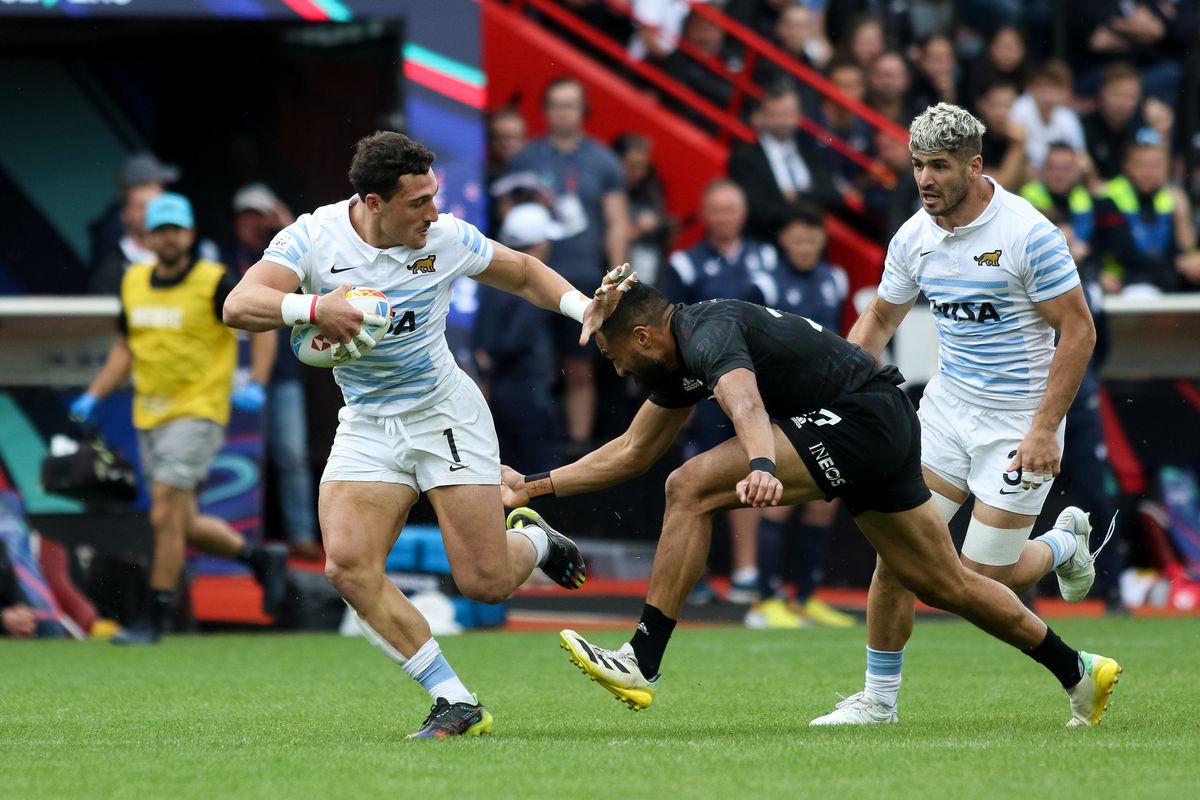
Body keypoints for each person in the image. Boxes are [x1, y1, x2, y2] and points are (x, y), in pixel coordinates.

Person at [499, 281, 1120, 728]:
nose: (615, 369)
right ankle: (1079, 672)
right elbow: (633, 452)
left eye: (614, 356)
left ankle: (642, 657)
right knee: (945, 582)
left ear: (641, 334)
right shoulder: (671, 359)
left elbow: (743, 401)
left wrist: (764, 465)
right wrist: (531, 487)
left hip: (861, 421)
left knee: (687, 487)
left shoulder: (706, 331)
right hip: (882, 421)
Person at [222, 131, 633, 739]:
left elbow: (521, 272)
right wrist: (313, 309)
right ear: (372, 202)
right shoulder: (312, 236)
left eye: (434, 196)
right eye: (418, 202)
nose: (433, 212)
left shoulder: (443, 238)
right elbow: (239, 305)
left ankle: (537, 544)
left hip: (443, 413)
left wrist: (580, 308)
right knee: (348, 567)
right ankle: (454, 700)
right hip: (367, 421)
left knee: (485, 583)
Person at [809, 102, 1107, 725]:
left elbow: (1078, 332)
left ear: (974, 166)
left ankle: (1062, 544)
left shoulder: (1027, 234)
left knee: (980, 579)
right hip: (944, 414)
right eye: (917, 165)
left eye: (938, 166)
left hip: (1017, 423)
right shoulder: (914, 235)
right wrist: (829, 389)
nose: (924, 179)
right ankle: (878, 701)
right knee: (900, 555)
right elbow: (881, 319)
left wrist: (1045, 428)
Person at [70, 193, 287, 646]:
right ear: (147, 236)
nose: (168, 238)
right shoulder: (133, 282)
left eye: (177, 229)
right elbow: (126, 347)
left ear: (190, 234)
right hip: (148, 415)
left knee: (165, 509)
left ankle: (156, 615)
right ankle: (259, 559)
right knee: (177, 522)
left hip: (198, 411)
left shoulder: (214, 282)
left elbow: (261, 319)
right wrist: (95, 393)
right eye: (160, 230)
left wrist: (258, 382)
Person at [664, 178, 779, 603]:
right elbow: (669, 330)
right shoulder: (685, 263)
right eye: (717, 209)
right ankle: (694, 575)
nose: (725, 217)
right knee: (696, 480)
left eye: (732, 208)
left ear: (742, 214)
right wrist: (683, 395)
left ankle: (746, 571)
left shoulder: (765, 258)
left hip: (753, 386)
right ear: (706, 214)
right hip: (704, 388)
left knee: (756, 466)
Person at [506, 77, 629, 456]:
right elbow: (507, 214)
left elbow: (617, 221)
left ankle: (578, 449)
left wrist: (618, 279)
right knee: (531, 364)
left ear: (583, 110)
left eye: (571, 104)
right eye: (556, 105)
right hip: (532, 278)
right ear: (546, 111)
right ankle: (532, 447)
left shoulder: (603, 159)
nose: (563, 112)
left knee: (580, 365)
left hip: (584, 278)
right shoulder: (526, 158)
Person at [745, 206, 855, 629]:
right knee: (777, 500)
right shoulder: (766, 282)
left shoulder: (834, 280)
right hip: (780, 404)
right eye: (798, 239)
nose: (806, 247)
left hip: (825, 402)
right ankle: (765, 599)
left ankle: (806, 597)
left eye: (813, 238)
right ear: (785, 241)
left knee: (823, 501)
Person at [224, 183, 321, 560]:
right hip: (229, 372)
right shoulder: (219, 255)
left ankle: (299, 536)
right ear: (236, 218)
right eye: (248, 215)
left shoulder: (289, 251)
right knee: (239, 457)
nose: (255, 223)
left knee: (291, 455)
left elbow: (314, 269)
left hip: (281, 374)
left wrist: (285, 224)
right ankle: (243, 538)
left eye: (261, 216)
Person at [473, 203, 564, 471]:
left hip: (499, 395)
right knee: (541, 472)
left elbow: (481, 341)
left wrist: (487, 370)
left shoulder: (490, 282)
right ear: (538, 245)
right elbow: (516, 339)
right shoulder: (532, 287)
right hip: (528, 393)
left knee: (507, 470)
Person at [728, 82, 840, 242]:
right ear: (761, 116)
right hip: (768, 246)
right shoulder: (745, 158)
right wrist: (808, 204)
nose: (782, 121)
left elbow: (833, 197)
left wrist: (796, 197)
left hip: (812, 248)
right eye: (776, 114)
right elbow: (757, 210)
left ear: (798, 115)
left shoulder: (810, 154)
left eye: (788, 113)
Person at [1095, 129, 1200, 294]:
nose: (1149, 173)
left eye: (1156, 166)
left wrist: (1182, 216)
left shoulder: (1170, 198)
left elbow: (1186, 249)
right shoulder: (1109, 197)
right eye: (1142, 166)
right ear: (1127, 166)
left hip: (1164, 278)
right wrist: (1177, 263)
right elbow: (1125, 256)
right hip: (1124, 283)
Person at [1009, 60, 1087, 171]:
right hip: (1025, 171)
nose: (1048, 95)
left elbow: (1080, 155)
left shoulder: (1068, 117)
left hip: (1055, 172)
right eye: (1044, 87)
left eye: (1055, 89)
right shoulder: (1020, 108)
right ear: (1032, 88)